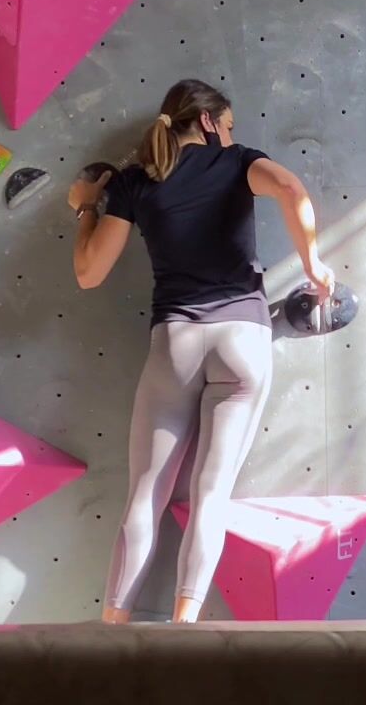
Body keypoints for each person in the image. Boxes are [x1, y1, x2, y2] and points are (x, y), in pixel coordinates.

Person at [67, 78, 334, 624]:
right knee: (211, 495)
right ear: (209, 121)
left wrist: (85, 208)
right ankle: (183, 629)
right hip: (242, 339)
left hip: (177, 341)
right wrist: (314, 267)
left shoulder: (136, 181)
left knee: (145, 495)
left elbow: (89, 274)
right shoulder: (237, 162)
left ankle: (112, 630)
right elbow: (291, 189)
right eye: (229, 125)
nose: (232, 135)